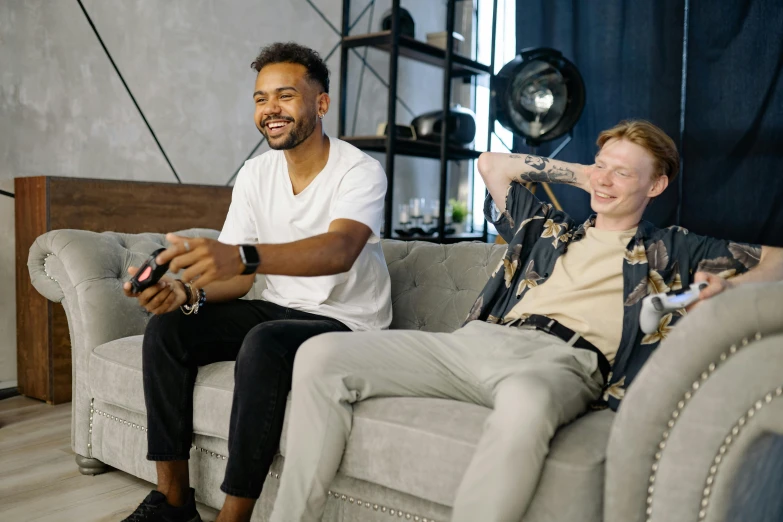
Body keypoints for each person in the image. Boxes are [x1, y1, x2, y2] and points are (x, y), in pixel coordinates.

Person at [270, 120, 783, 521]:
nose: (604, 178)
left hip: (561, 360)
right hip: (475, 343)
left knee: (526, 403)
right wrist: (592, 174)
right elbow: (493, 164)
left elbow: (779, 261)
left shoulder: (674, 247)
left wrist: (729, 286)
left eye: (625, 172)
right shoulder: (546, 228)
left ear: (658, 184)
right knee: (320, 354)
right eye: (600, 164)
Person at [121, 42, 391, 522]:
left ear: (321, 103)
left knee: (265, 343)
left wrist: (243, 256)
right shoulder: (255, 173)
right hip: (277, 307)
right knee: (168, 329)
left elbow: (339, 250)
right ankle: (173, 503)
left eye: (285, 96)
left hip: (347, 324)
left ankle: (234, 517)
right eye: (261, 99)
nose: (270, 110)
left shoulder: (360, 171)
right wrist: (188, 292)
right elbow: (239, 280)